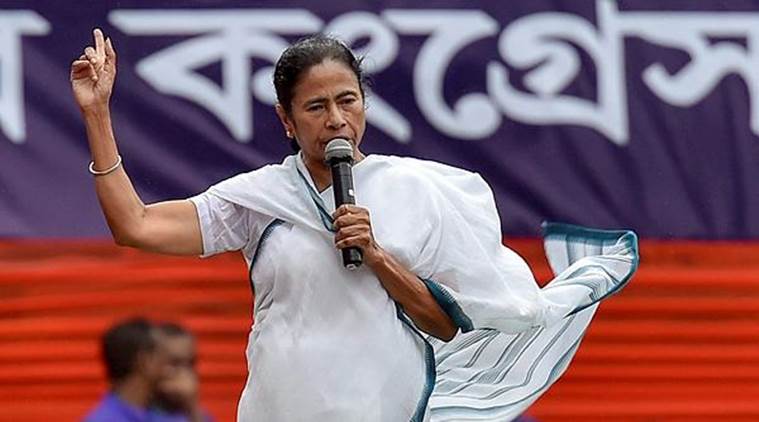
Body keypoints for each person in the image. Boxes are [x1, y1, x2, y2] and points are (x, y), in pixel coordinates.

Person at [71, 28, 638, 421]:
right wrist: (97, 115)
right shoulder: (262, 197)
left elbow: (445, 325)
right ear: (286, 120)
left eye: (348, 100)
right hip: (280, 407)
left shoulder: (420, 191)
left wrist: (378, 256)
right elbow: (136, 226)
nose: (337, 119)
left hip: (380, 408)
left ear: (365, 103)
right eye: (316, 107)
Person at [83, 318, 210, 422]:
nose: (182, 372)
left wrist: (192, 408)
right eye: (170, 361)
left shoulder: (172, 414)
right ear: (145, 361)